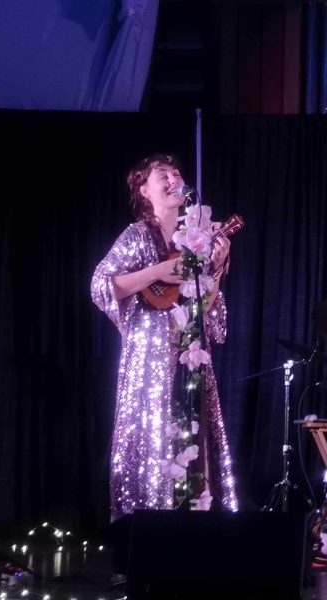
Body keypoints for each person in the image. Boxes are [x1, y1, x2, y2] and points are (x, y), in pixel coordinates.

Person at [91, 153, 238, 523]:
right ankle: (143, 535)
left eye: (176, 173)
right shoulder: (137, 234)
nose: (173, 178)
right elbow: (102, 285)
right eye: (162, 175)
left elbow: (207, 303)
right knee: (151, 441)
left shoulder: (197, 238)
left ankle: (195, 535)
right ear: (144, 190)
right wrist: (158, 271)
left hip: (190, 355)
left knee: (194, 441)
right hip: (149, 359)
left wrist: (217, 268)